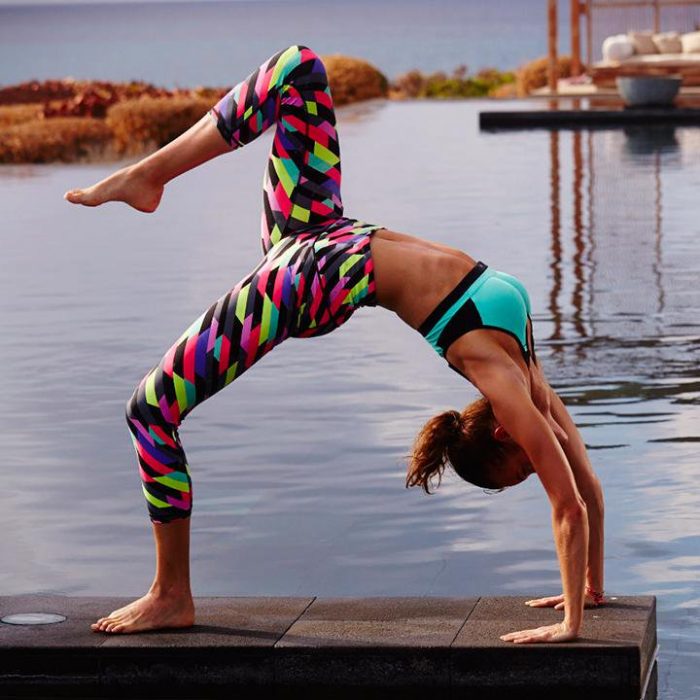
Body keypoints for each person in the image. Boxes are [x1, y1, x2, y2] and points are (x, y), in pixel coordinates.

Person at [64, 44, 605, 643]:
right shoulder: (509, 383)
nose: (541, 459)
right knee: (299, 67)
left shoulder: (519, 364)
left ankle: (171, 594)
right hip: (317, 246)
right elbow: (574, 504)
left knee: (150, 409)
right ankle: (151, 173)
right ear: (504, 432)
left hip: (320, 271)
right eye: (526, 467)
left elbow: (581, 486)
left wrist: (587, 588)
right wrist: (574, 620)